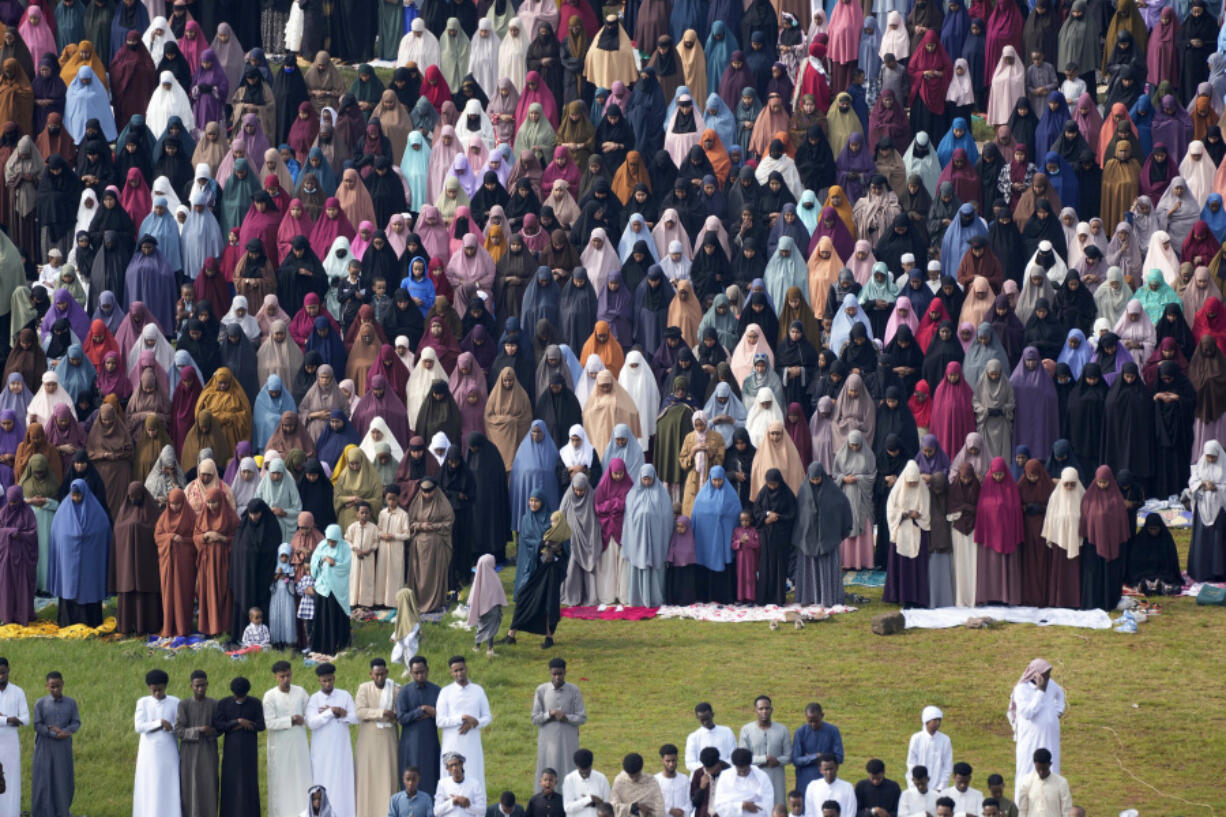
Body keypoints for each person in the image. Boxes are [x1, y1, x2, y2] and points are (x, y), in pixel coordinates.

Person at [1007, 658, 1065, 799]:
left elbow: (1060, 694)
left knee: (1051, 767)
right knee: (1028, 769)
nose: (1047, 677)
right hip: (1030, 738)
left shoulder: (1051, 684)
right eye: (1044, 674)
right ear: (1035, 674)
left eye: (1049, 673)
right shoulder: (1022, 689)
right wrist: (1040, 691)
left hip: (1050, 736)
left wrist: (1058, 711)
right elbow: (1027, 713)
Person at [307, 662, 358, 817]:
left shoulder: (344, 695)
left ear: (334, 678)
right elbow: (311, 723)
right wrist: (330, 712)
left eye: (330, 680)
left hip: (341, 748)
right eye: (324, 681)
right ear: (319, 681)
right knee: (323, 780)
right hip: (322, 750)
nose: (328, 683)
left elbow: (355, 718)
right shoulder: (314, 699)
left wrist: (342, 713)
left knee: (343, 782)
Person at [437, 656, 493, 796]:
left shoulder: (478, 690)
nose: (459, 673)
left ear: (466, 669)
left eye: (461, 669)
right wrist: (461, 718)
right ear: (451, 672)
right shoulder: (446, 692)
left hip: (472, 744)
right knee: (450, 779)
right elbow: (440, 721)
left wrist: (474, 723)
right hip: (452, 743)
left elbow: (487, 717)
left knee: (474, 773)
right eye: (455, 671)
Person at [263, 660, 311, 817]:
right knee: (283, 782)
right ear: (276, 677)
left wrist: (304, 719)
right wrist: (290, 720)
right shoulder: (270, 696)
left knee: (302, 779)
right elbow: (269, 723)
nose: (286, 679)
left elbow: (310, 714)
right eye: (282, 676)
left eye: (288, 675)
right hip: (280, 746)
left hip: (299, 743)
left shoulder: (301, 692)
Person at [355, 658, 400, 817]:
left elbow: (398, 714)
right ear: (371, 674)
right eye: (377, 674)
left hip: (388, 739)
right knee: (368, 777)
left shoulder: (395, 689)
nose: (380, 677)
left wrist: (391, 715)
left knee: (389, 775)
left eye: (382, 674)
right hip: (368, 739)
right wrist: (381, 713)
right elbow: (360, 712)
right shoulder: (364, 688)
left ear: (387, 672)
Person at [132, 669, 180, 817]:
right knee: (149, 782)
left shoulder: (175, 701)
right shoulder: (143, 702)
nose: (157, 693)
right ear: (149, 688)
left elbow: (178, 726)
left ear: (165, 686)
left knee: (169, 782)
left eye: (160, 689)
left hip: (169, 749)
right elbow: (139, 726)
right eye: (154, 690)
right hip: (149, 751)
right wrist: (158, 723)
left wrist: (170, 727)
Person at [215, 676, 265, 817]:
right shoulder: (224, 703)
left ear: (247, 692)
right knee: (230, 784)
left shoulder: (255, 703)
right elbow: (219, 726)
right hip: (231, 752)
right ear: (233, 692)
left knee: (249, 784)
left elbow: (261, 725)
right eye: (237, 696)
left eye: (242, 696)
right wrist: (238, 722)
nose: (240, 699)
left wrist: (247, 724)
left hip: (249, 751)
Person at [532, 658, 588, 787]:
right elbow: (534, 718)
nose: (557, 677)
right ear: (550, 673)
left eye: (560, 674)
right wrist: (549, 714)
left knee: (568, 768)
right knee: (547, 767)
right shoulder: (542, 690)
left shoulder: (574, 690)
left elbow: (582, 717)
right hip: (548, 741)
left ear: (565, 672)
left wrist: (566, 718)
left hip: (568, 740)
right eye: (554, 674)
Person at [31, 670, 79, 817]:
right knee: (44, 779)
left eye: (58, 686)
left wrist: (65, 732)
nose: (56, 690)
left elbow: (76, 722)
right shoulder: (41, 703)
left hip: (63, 747)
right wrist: (53, 733)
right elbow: (37, 725)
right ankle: (43, 812)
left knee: (62, 778)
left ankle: (62, 811)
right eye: (52, 687)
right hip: (45, 747)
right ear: (47, 686)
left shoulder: (71, 703)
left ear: (63, 684)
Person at [174, 669, 219, 817]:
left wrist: (210, 731)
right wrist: (198, 730)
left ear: (207, 684)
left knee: (209, 785)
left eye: (203, 685)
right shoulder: (184, 704)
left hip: (208, 751)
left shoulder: (214, 704)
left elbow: (219, 729)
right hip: (189, 753)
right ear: (191, 686)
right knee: (189, 786)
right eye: (197, 686)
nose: (200, 689)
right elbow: (179, 730)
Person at [397, 656, 442, 792]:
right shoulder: (404, 692)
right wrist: (421, 710)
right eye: (416, 672)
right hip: (411, 744)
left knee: (431, 775)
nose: (420, 675)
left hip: (430, 741)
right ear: (411, 672)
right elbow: (401, 718)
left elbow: (443, 716)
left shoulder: (436, 690)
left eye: (422, 671)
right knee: (412, 776)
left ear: (427, 670)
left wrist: (433, 713)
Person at [738, 695, 790, 806]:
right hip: (754, 776)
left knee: (777, 806)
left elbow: (789, 756)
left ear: (772, 710)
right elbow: (742, 757)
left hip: (776, 776)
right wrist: (764, 759)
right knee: (757, 808)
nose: (764, 711)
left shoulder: (782, 729)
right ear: (755, 710)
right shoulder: (746, 730)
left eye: (767, 708)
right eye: (761, 708)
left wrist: (777, 761)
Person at [791, 704, 844, 792]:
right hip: (805, 781)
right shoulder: (800, 733)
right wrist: (815, 756)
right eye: (810, 721)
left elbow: (839, 757)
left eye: (816, 721)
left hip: (827, 780)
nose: (813, 724)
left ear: (822, 716)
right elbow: (796, 760)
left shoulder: (833, 731)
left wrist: (815, 757)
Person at [711, 747, 772, 817]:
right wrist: (741, 805)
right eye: (739, 771)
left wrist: (754, 806)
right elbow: (719, 806)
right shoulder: (725, 777)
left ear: (750, 765)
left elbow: (768, 803)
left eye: (745, 770)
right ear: (735, 766)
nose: (742, 773)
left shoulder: (762, 777)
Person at [904, 706, 952, 793]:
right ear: (927, 721)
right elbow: (911, 764)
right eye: (935, 720)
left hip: (938, 789)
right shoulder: (916, 738)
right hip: (917, 787)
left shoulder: (945, 740)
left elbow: (947, 766)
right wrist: (915, 787)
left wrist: (940, 787)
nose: (938, 723)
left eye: (939, 720)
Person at [1015, 749, 1071, 817]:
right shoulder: (1026, 781)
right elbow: (1022, 810)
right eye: (1038, 769)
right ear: (1034, 764)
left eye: (1044, 769)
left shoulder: (1061, 783)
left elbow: (1066, 810)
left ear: (1050, 764)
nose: (1041, 772)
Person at [684, 703, 738, 773]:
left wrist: (719, 766)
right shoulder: (693, 737)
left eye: (707, 718)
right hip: (702, 775)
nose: (705, 722)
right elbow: (690, 763)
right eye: (702, 720)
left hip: (725, 774)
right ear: (697, 718)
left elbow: (734, 756)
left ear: (712, 715)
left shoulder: (727, 732)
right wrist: (709, 768)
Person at [610, 753, 665, 817]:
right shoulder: (620, 781)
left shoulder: (651, 782)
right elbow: (613, 807)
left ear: (640, 769)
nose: (634, 779)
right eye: (631, 776)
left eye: (636, 775)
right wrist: (633, 807)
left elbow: (659, 809)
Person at [563, 748, 611, 817]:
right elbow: (567, 808)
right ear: (576, 765)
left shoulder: (601, 778)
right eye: (582, 771)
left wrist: (599, 803)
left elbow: (609, 807)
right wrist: (589, 799)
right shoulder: (569, 779)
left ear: (591, 765)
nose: (585, 773)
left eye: (587, 770)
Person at [436, 753, 487, 817]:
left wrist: (468, 805)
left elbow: (482, 811)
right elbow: (437, 811)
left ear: (461, 764)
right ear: (447, 768)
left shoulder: (474, 784)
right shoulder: (442, 784)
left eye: (456, 764)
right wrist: (453, 801)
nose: (454, 768)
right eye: (451, 766)